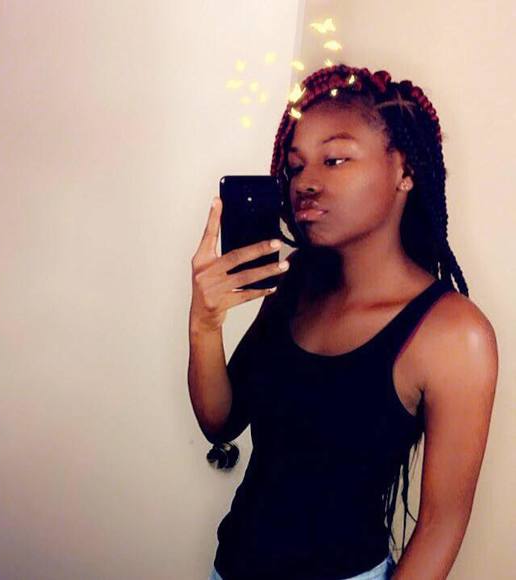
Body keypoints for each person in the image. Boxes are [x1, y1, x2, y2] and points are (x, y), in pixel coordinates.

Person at [188, 64, 498, 580]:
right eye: (296, 166)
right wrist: (204, 323)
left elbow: (441, 527)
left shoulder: (453, 334)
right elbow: (220, 421)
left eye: (334, 159)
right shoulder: (296, 287)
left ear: (404, 171)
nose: (306, 183)